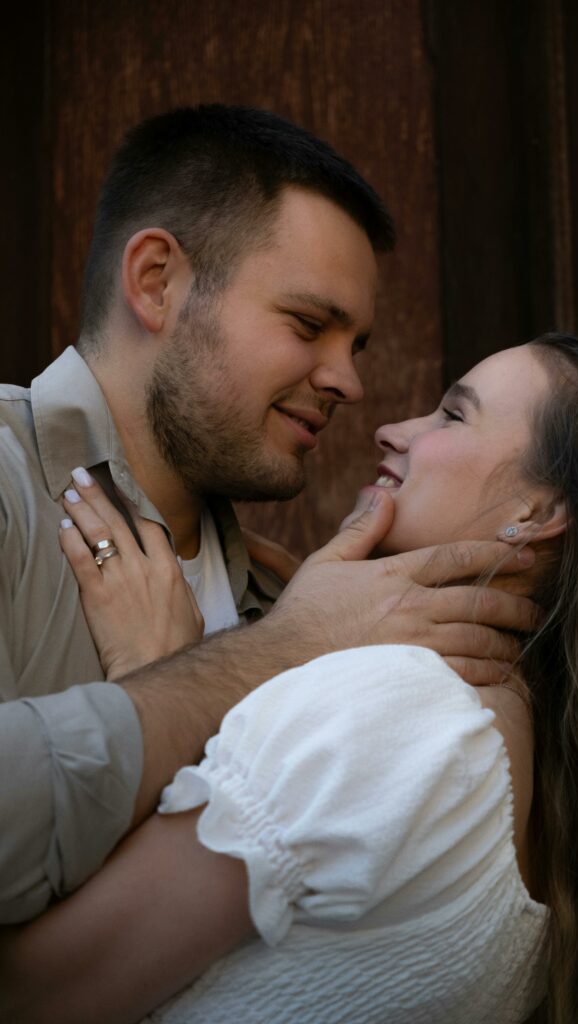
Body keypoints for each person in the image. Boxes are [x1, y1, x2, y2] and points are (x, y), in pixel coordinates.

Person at [3, 334, 578, 1024]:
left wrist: (156, 674)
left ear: (534, 514)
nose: (393, 428)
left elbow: (30, 994)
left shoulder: (395, 714)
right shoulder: (540, 765)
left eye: (451, 415)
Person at [0, 104, 536, 924]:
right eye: (309, 324)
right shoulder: (9, 485)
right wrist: (278, 652)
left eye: (353, 344)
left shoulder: (288, 593)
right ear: (156, 282)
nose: (347, 381)